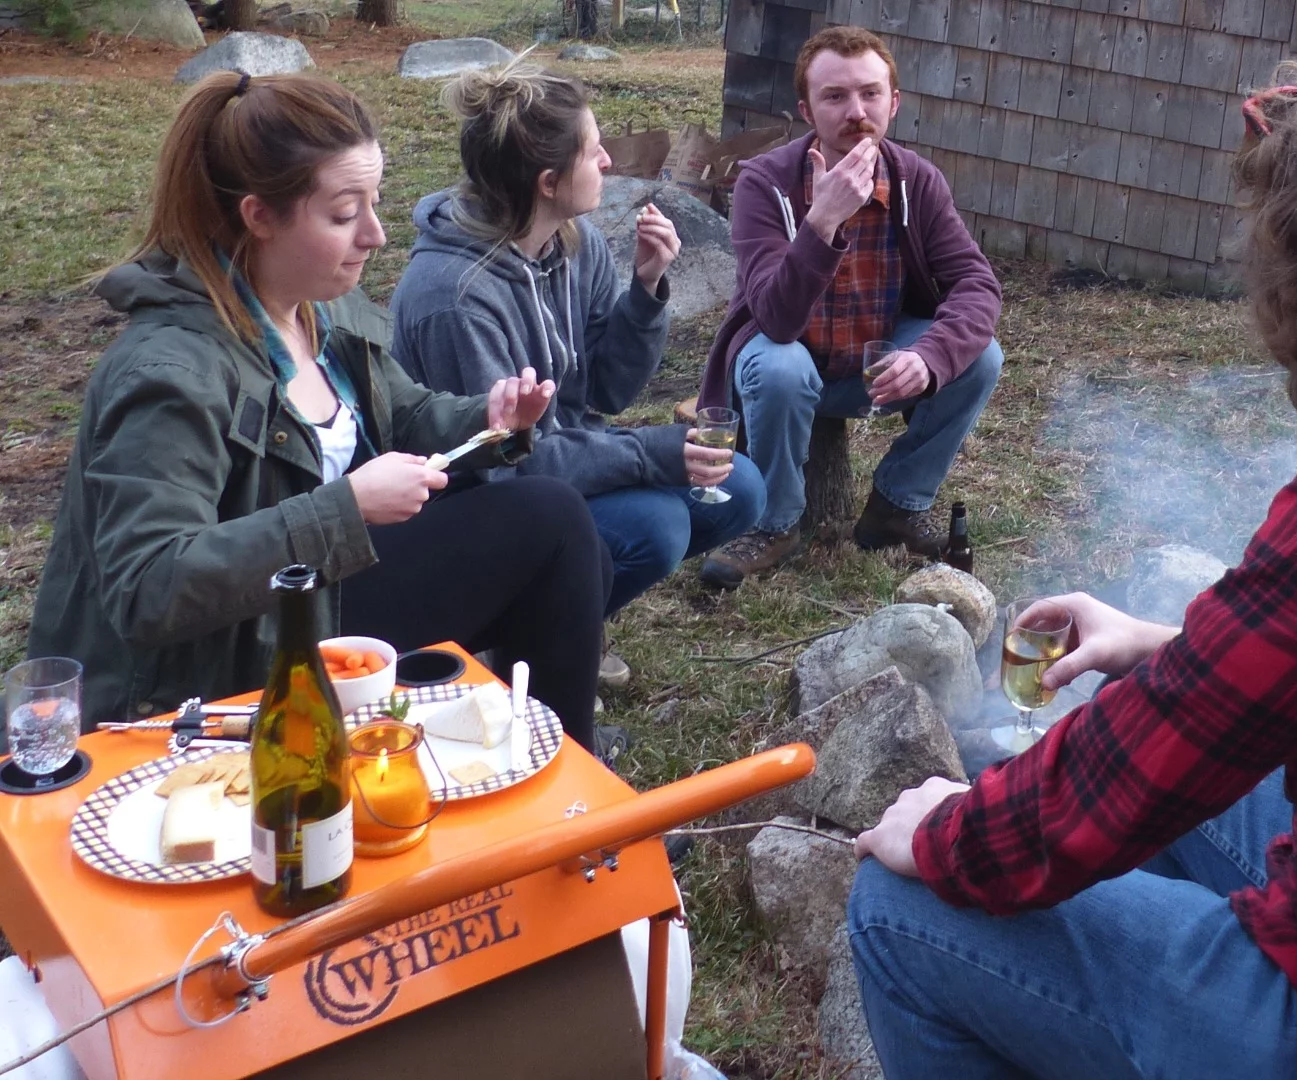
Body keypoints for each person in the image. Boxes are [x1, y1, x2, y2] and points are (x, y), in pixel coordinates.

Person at [847, 69, 1297, 1079]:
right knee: (1178, 766)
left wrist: (947, 832)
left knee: (901, 907)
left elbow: (1132, 775)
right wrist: (1164, 648)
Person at [27, 72, 611, 753]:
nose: (377, 234)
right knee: (552, 521)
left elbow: (410, 414)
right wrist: (346, 508)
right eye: (343, 214)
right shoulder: (168, 373)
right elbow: (150, 587)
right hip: (209, 666)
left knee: (569, 538)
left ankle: (537, 767)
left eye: (375, 203)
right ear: (259, 216)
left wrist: (490, 420)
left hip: (308, 603)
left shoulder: (320, 313)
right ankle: (565, 802)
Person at [389, 62, 766, 664]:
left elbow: (611, 391)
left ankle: (564, 616)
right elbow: (502, 464)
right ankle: (526, 644)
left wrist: (646, 288)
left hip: (560, 459)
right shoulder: (453, 297)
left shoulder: (572, 239)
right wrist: (649, 454)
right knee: (658, 526)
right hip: (475, 503)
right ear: (546, 181)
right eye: (593, 152)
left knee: (739, 487)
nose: (609, 162)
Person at [695, 26, 1004, 589]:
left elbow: (976, 283)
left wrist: (930, 357)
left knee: (981, 356)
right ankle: (775, 523)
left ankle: (895, 505)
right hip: (789, 367)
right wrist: (823, 220)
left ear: (894, 102)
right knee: (777, 363)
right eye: (834, 96)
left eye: (870, 93)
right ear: (806, 109)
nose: (855, 111)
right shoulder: (764, 184)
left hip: (874, 368)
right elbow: (774, 319)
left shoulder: (916, 180)